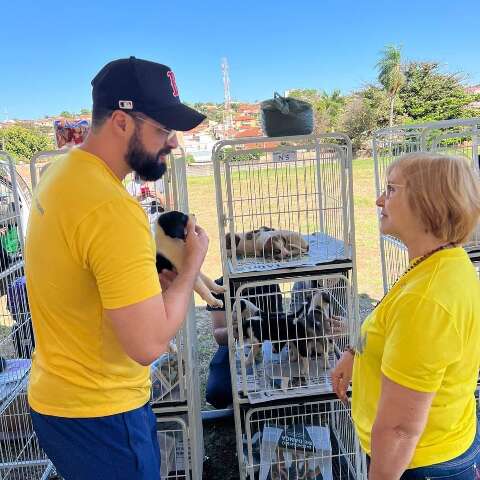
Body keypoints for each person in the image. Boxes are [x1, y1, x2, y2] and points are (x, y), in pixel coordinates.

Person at [25, 57, 207, 480]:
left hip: (59, 402)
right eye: (163, 130)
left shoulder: (64, 172)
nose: (174, 143)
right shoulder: (110, 207)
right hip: (102, 413)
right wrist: (189, 269)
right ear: (122, 122)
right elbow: (147, 345)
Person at [331, 152, 480, 480]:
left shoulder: (426, 300)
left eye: (392, 189)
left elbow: (400, 430)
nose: (379, 199)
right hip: (442, 445)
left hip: (419, 464)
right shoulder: (441, 262)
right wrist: (355, 351)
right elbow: (388, 316)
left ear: (429, 202)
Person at [205, 277, 283, 409]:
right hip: (233, 345)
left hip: (265, 343)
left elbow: (277, 326)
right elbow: (219, 335)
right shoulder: (218, 286)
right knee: (216, 393)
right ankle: (238, 406)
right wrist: (237, 331)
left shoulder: (268, 282)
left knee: (280, 383)